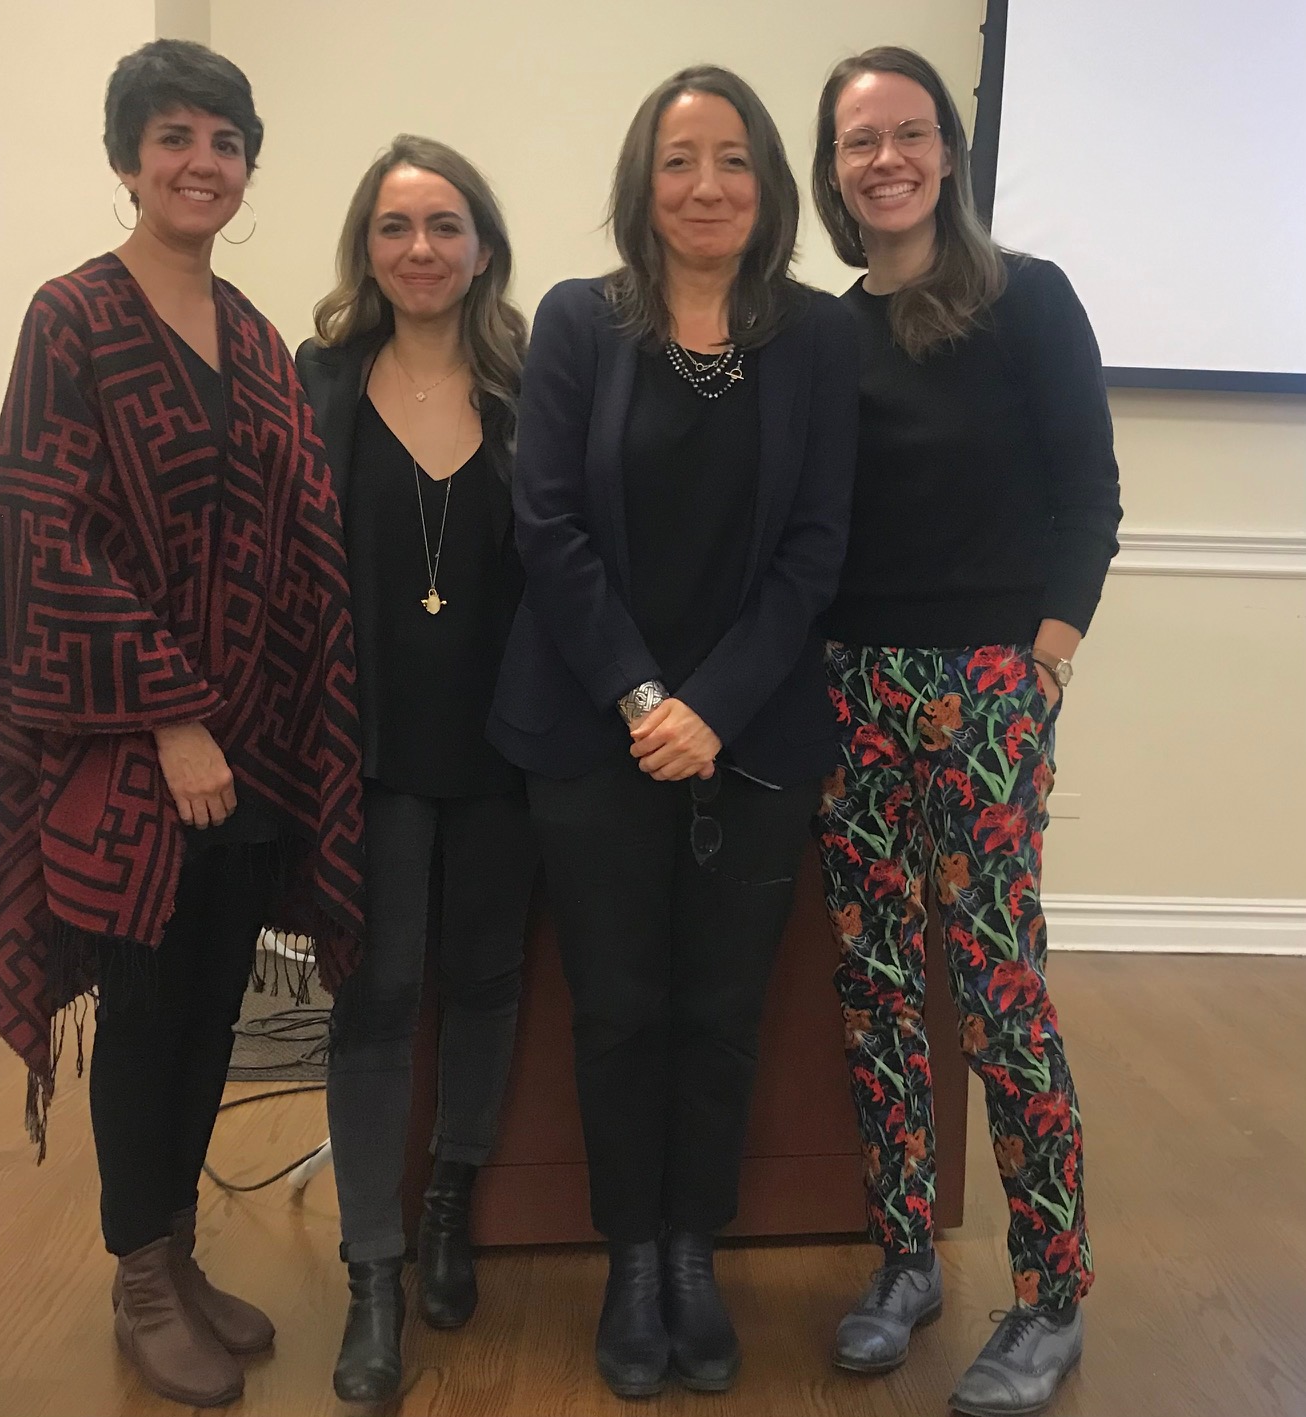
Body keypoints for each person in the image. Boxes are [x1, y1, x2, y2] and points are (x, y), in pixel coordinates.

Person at [0, 40, 365, 1410]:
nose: (200, 162)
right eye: (173, 137)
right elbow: (41, 535)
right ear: (129, 159)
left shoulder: (253, 335)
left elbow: (295, 539)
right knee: (146, 1011)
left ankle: (177, 1252)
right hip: (128, 750)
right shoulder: (74, 319)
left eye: (224, 141)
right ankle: (136, 1273)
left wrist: (279, 718)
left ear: (248, 167)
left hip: (252, 753)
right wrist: (173, 715)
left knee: (215, 1006)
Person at [489, 65, 859, 1398]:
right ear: (640, 187)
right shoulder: (580, 324)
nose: (706, 186)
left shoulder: (815, 338)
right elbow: (548, 526)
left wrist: (713, 707)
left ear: (767, 185)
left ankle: (692, 1250)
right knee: (617, 1011)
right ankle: (628, 1254)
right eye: (677, 161)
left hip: (751, 741)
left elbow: (815, 547)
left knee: (717, 1010)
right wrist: (648, 699)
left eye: (732, 161)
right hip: (598, 736)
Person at [808, 45, 1122, 1417]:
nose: (884, 157)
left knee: (997, 995)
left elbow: (1086, 495)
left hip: (987, 688)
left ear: (946, 152)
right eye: (857, 140)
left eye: (907, 132)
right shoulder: (825, 332)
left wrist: (1040, 663)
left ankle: (1049, 1295)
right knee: (877, 989)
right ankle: (902, 1256)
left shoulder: (1025, 299)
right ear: (831, 170)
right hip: (850, 693)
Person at [294, 136, 538, 1406]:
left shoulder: (536, 385)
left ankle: (450, 1200)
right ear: (367, 248)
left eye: (446, 225)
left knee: (487, 981)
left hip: (506, 753)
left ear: (483, 244)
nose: (422, 250)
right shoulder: (320, 379)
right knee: (378, 995)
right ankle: (374, 1273)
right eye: (397, 228)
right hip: (368, 753)